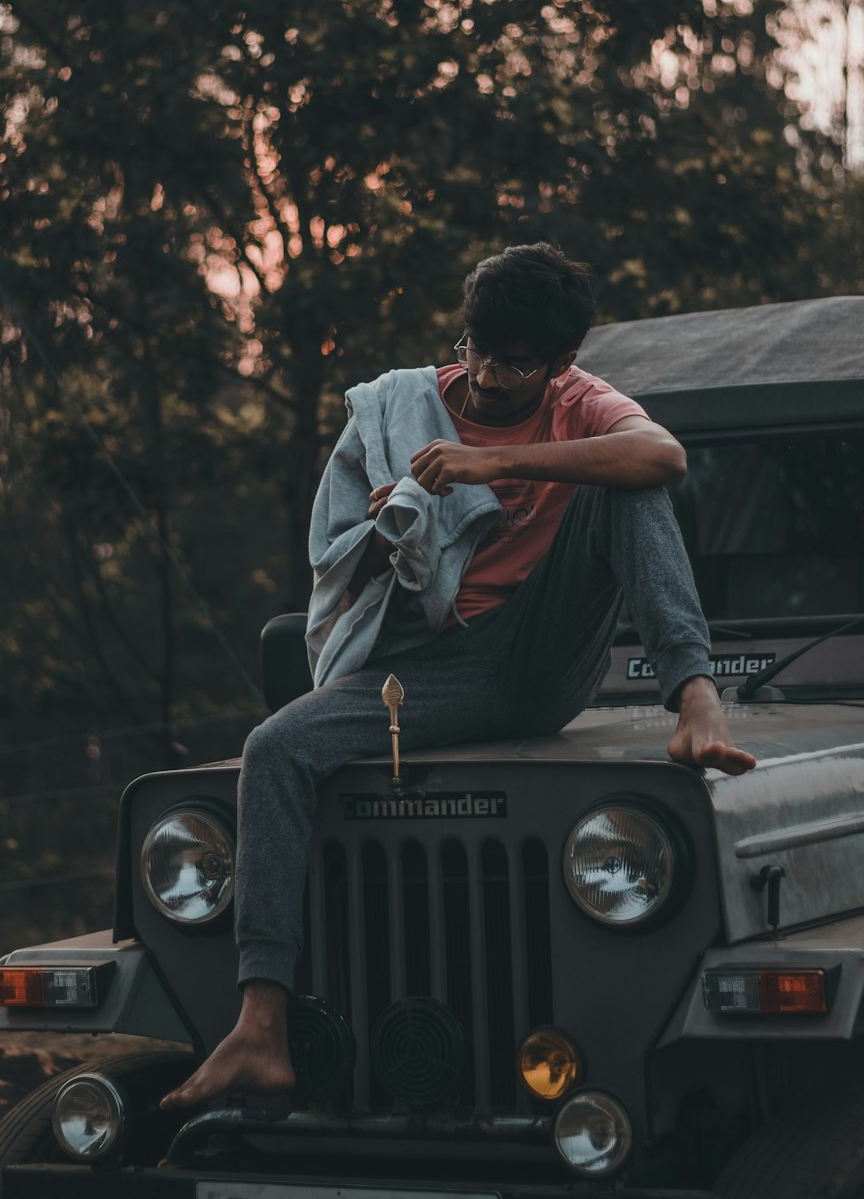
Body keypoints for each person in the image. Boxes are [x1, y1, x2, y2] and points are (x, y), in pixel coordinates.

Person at [161, 243, 756, 1112]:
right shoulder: (395, 408)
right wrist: (384, 535)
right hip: (430, 667)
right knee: (274, 747)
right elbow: (335, 570)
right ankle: (261, 1026)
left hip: (544, 650)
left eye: (513, 363)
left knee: (626, 478)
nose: (484, 374)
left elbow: (663, 457)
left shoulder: (580, 404)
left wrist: (497, 463)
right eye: (475, 347)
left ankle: (694, 693)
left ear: (559, 366)